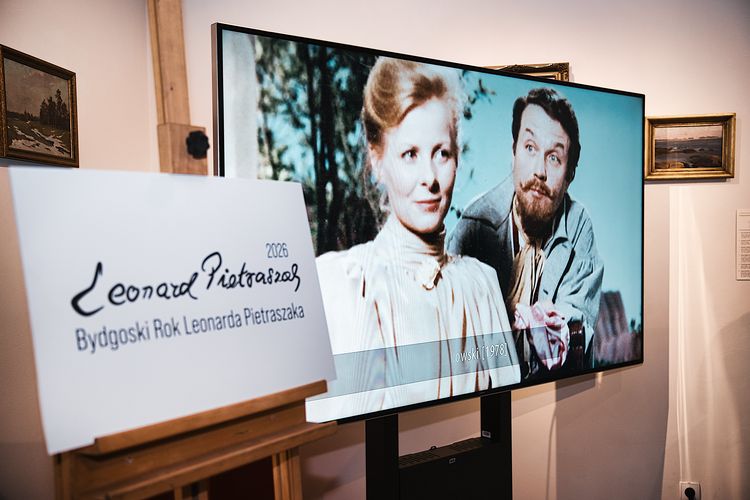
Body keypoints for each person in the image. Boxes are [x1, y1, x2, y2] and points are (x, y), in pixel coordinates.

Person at [306, 58, 520, 422]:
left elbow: (504, 415)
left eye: (442, 154)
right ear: (377, 161)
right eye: (410, 155)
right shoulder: (341, 283)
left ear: (456, 158)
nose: (430, 178)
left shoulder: (481, 284)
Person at [448, 87, 603, 380]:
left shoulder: (578, 224)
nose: (539, 171)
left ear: (570, 174)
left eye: (554, 158)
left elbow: (578, 321)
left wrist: (550, 322)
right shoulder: (475, 225)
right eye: (530, 148)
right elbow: (453, 344)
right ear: (513, 152)